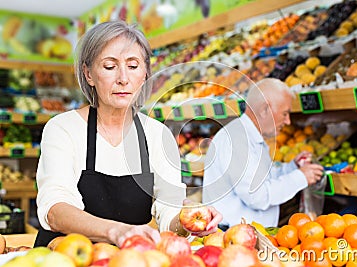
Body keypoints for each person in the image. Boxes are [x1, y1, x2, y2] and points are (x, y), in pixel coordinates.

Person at [34, 20, 221, 247]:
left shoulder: (157, 135)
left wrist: (189, 221)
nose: (123, 78)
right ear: (88, 74)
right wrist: (116, 231)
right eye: (110, 66)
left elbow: (169, 208)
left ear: (145, 74)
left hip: (126, 258)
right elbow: (55, 209)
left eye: (133, 66)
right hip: (62, 257)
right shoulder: (63, 129)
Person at [202, 78, 324, 229]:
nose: (288, 122)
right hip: (235, 237)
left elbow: (264, 177)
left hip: (244, 233)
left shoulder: (248, 136)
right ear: (265, 109)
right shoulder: (238, 141)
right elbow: (257, 196)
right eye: (285, 114)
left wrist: (292, 168)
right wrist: (300, 177)